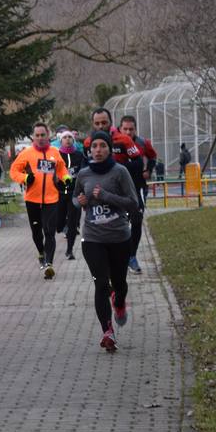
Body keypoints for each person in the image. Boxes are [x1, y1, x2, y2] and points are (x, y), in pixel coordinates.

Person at [72, 130, 140, 353]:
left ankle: (119, 302)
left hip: (119, 237)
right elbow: (75, 198)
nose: (98, 150)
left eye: (103, 145)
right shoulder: (83, 174)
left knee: (119, 284)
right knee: (100, 283)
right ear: (89, 150)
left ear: (110, 148)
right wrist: (79, 201)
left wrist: (106, 197)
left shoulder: (120, 172)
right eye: (94, 146)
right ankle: (107, 332)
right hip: (92, 238)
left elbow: (133, 203)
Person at [8, 122, 70, 279]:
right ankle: (41, 253)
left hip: (51, 198)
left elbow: (62, 169)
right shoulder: (27, 153)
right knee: (37, 232)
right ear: (33, 137)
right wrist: (25, 177)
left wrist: (66, 178)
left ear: (48, 135)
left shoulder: (55, 152)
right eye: (37, 135)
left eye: (43, 135)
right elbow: (14, 171)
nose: (40, 138)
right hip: (32, 199)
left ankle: (49, 264)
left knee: (49, 231)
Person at [111, 115, 156, 274]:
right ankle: (116, 257)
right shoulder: (114, 142)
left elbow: (152, 156)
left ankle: (132, 256)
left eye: (131, 129)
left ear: (135, 129)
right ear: (119, 128)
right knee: (118, 222)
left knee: (137, 220)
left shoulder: (143, 143)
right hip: (117, 189)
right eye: (125, 129)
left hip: (138, 187)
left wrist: (148, 170)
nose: (128, 132)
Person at [53, 129, 86, 261]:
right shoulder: (56, 155)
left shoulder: (79, 155)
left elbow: (84, 171)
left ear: (73, 140)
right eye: (65, 137)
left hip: (74, 193)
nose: (67, 139)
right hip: (60, 193)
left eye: (70, 137)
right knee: (59, 224)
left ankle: (69, 250)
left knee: (73, 223)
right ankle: (62, 226)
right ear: (61, 141)